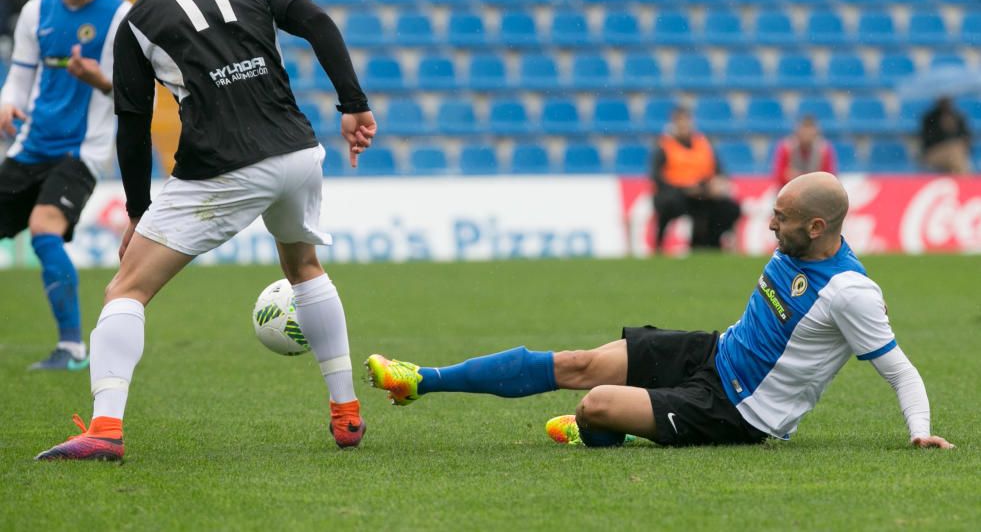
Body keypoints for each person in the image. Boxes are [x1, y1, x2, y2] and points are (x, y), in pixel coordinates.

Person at [35, 0, 377, 461]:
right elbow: (318, 22)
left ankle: (104, 428)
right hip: (296, 152)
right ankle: (345, 413)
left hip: (222, 168)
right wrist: (354, 105)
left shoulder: (138, 20)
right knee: (304, 267)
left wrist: (139, 211)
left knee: (126, 289)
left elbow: (133, 123)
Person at [366, 172, 954, 451]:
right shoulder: (792, 248)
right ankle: (421, 381)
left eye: (781, 216)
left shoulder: (851, 293)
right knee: (578, 362)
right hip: (712, 353)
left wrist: (920, 433)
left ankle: (609, 425)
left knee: (593, 404)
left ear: (817, 227)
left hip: (737, 411)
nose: (770, 223)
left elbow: (899, 369)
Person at [0, 0, 129, 371]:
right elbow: (18, 78)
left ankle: (73, 348)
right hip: (30, 146)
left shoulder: (120, 16)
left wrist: (104, 83)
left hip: (82, 151)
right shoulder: (36, 12)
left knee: (43, 226)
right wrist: (5, 104)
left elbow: (132, 93)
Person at [651, 106, 740, 250]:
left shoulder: (703, 144)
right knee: (671, 204)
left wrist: (718, 183)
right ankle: (659, 245)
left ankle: (711, 243)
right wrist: (683, 188)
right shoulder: (664, 146)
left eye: (686, 121)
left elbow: (719, 170)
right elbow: (657, 177)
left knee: (729, 208)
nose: (684, 126)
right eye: (680, 122)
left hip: (703, 192)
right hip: (676, 193)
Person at [772, 115, 837, 187]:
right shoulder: (786, 147)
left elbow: (830, 177)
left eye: (810, 131)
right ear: (797, 131)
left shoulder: (824, 149)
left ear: (816, 132)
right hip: (790, 190)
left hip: (816, 191)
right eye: (804, 131)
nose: (807, 135)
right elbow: (779, 175)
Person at [920, 96, 971, 174]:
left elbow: (966, 138)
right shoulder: (929, 118)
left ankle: (960, 180)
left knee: (956, 153)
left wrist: (952, 129)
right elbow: (927, 141)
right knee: (955, 154)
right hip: (934, 153)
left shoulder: (958, 116)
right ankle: (965, 182)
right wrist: (942, 129)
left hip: (956, 153)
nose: (946, 103)